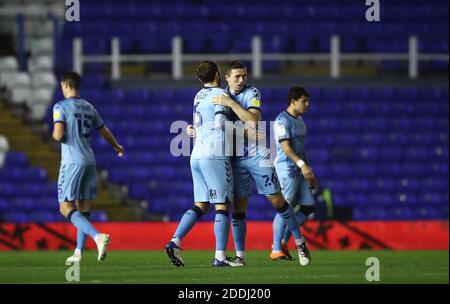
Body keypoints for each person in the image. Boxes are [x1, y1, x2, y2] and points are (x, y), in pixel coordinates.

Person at [190, 61, 311, 266]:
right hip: (234, 158)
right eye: (236, 76)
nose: (241, 80)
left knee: (277, 201)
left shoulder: (251, 93)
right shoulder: (218, 94)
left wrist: (232, 105)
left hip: (257, 155)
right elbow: (214, 124)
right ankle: (240, 257)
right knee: (238, 208)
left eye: (244, 76)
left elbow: (253, 121)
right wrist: (194, 131)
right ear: (226, 77)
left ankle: (299, 242)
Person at [165, 60, 239, 267]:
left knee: (201, 204)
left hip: (196, 154)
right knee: (222, 205)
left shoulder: (198, 95)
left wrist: (194, 131)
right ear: (217, 73)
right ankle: (220, 257)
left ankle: (175, 241)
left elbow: (201, 123)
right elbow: (219, 123)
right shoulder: (221, 95)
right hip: (214, 154)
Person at [52, 71, 124, 263]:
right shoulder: (88, 107)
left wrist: (54, 134)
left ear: (66, 86)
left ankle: (97, 236)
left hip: (72, 161)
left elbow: (58, 135)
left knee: (65, 207)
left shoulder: (60, 106)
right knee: (83, 206)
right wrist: (116, 146)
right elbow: (104, 130)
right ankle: (79, 252)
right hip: (89, 160)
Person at [271, 86, 318, 261]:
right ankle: (276, 248)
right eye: (304, 101)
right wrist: (301, 164)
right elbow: (285, 147)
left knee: (308, 207)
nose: (307, 104)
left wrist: (309, 170)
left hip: (300, 169)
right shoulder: (282, 120)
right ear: (293, 101)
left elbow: (301, 149)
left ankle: (283, 241)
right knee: (285, 207)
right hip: (286, 168)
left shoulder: (300, 121)